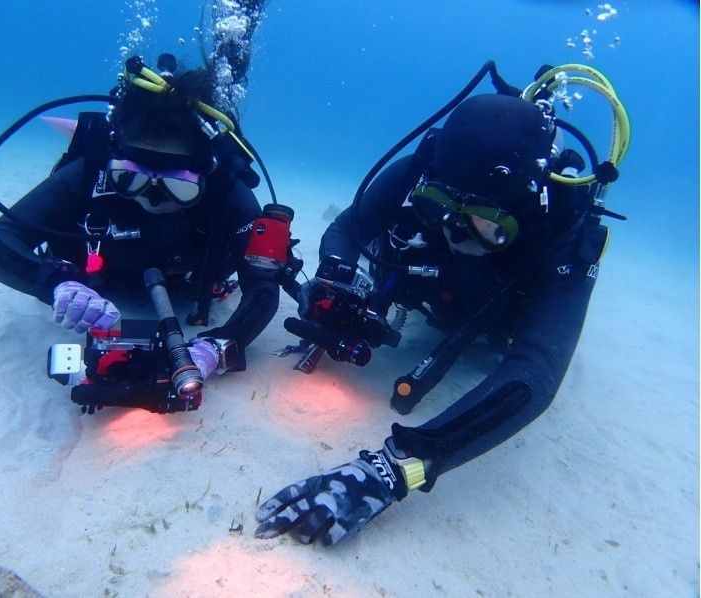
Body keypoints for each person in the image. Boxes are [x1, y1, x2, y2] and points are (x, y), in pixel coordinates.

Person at [254, 66, 628, 546]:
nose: (454, 234)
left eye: (486, 225)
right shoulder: (423, 166)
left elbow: (535, 374)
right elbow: (348, 230)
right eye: (437, 209)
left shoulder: (563, 230)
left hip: (495, 329)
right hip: (426, 300)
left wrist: (398, 467)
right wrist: (334, 275)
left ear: (524, 214)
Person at [0, 56, 294, 399]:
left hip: (188, 291)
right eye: (131, 178)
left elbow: (263, 291)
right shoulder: (90, 172)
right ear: (116, 160)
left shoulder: (227, 192)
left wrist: (219, 346)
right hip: (93, 280)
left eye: (177, 185)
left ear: (205, 174)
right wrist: (54, 281)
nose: (153, 197)